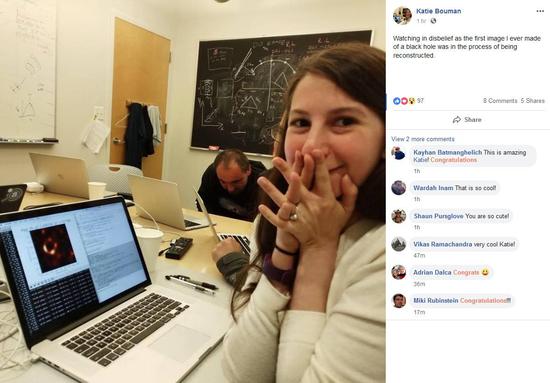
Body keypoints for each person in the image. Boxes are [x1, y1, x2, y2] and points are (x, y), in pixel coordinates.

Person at [222, 42, 386, 382]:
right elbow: (242, 374)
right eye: (300, 122)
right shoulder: (276, 217)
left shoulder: (389, 255)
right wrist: (282, 254)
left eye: (343, 120)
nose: (311, 146)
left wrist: (317, 250)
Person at [197, 148, 266, 221]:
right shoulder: (211, 174)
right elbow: (202, 204)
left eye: (236, 182)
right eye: (223, 182)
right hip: (218, 226)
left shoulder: (263, 181)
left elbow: (262, 221)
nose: (230, 189)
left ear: (248, 170)